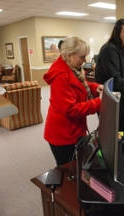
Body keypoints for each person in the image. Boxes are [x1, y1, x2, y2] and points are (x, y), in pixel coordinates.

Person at [43, 36, 103, 166]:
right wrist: (99, 102)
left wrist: (95, 87)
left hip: (73, 129)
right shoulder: (61, 76)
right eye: (82, 57)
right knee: (67, 169)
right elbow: (71, 109)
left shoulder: (70, 67)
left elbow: (80, 84)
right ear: (69, 55)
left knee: (77, 165)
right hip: (62, 133)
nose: (85, 60)